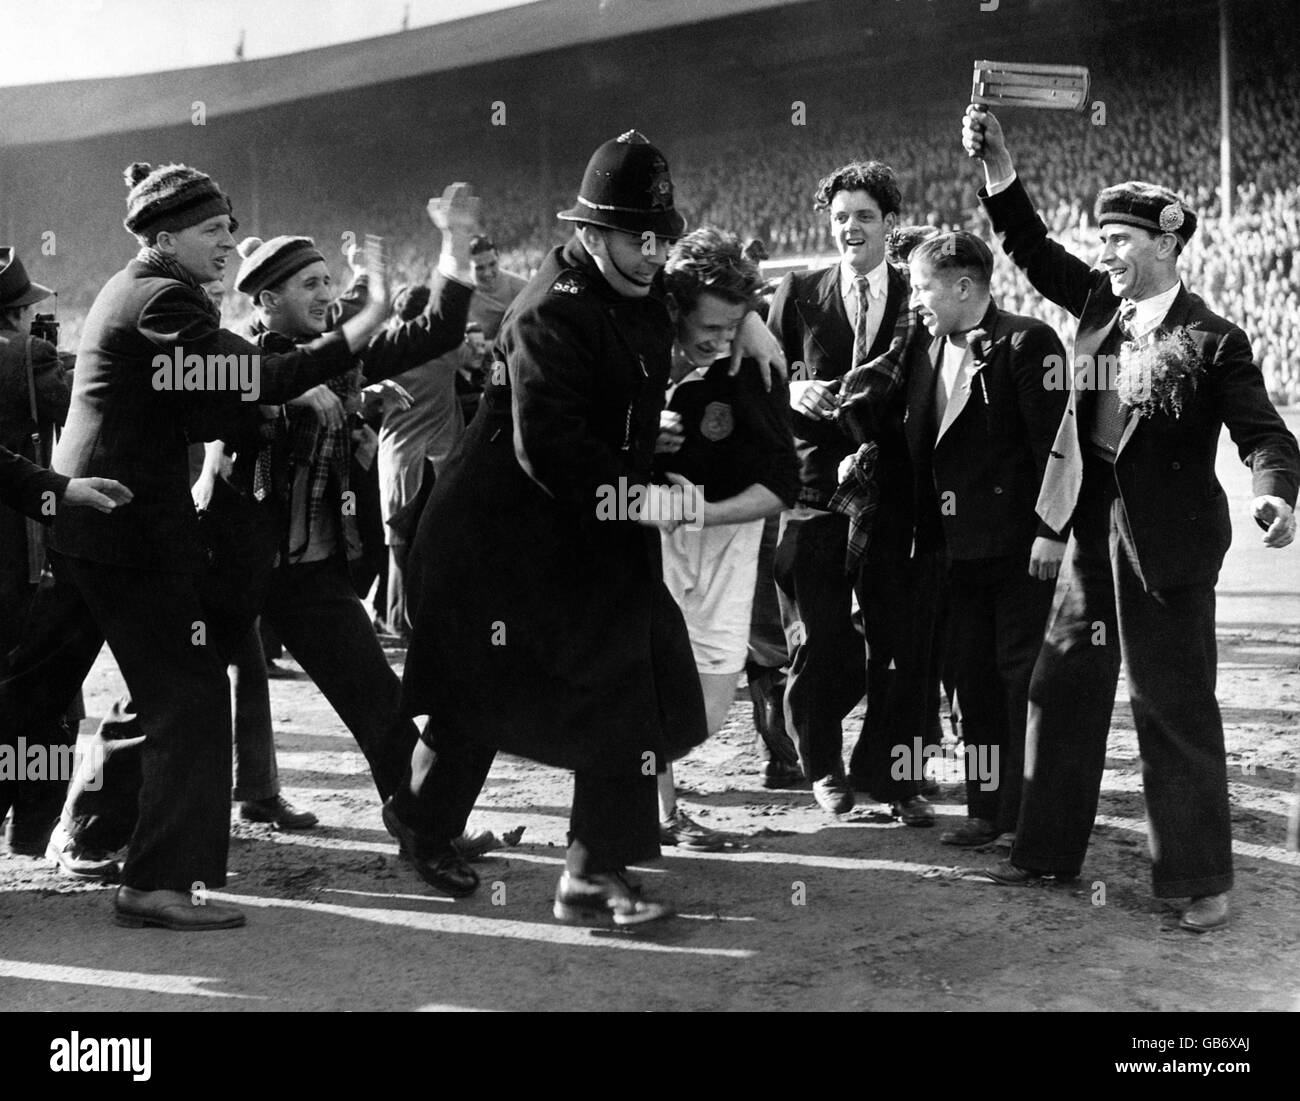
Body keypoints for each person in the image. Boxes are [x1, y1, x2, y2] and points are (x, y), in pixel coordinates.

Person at [384, 131, 784, 923]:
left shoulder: (639, 286)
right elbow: (554, 453)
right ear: (587, 232)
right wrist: (644, 495)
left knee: (594, 679)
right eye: (634, 237)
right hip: (502, 536)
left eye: (659, 237)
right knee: (528, 683)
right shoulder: (547, 317)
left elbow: (712, 296)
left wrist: (754, 324)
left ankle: (438, 822)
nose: (650, 253)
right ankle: (580, 872)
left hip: (570, 529)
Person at [964, 106, 1299, 932]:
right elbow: (1029, 246)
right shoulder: (1094, 306)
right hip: (1089, 532)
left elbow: (1266, 434)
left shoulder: (1216, 337)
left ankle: (1198, 880)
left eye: (1118, 240)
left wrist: (1276, 492)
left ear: (1164, 243)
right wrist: (998, 166)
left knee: (1171, 702)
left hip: (1169, 547)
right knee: (1060, 685)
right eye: (1102, 240)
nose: (1104, 254)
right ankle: (1043, 851)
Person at [47, 161, 393, 929]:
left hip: (111, 526)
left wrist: (283, 390)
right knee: (190, 697)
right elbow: (248, 376)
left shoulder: (151, 292)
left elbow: (210, 400)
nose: (228, 243)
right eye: (212, 231)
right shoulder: (160, 297)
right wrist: (354, 333)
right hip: (123, 528)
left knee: (151, 690)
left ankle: (99, 838)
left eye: (230, 228)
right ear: (164, 237)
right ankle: (156, 881)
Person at [767, 160, 937, 824]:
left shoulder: (914, 296)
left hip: (892, 489)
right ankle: (824, 767)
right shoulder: (797, 292)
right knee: (822, 639)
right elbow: (753, 377)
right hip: (812, 491)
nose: (850, 228)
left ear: (889, 224)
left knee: (899, 641)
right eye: (840, 217)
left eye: (864, 216)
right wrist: (789, 391)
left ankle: (892, 776)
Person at [903, 231, 1067, 846]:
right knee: (971, 681)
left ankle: (1028, 820)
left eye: (922, 287)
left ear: (964, 286)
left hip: (1019, 547)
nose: (915, 300)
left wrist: (1052, 532)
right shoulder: (923, 347)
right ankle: (984, 809)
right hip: (952, 550)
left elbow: (1056, 446)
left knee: (1017, 679)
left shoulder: (1028, 341)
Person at [654, 226, 798, 849]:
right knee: (641, 684)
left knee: (704, 714)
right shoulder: (636, 349)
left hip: (725, 545)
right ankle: (655, 813)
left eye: (728, 326)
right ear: (674, 309)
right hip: (640, 541)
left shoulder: (753, 367)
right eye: (706, 328)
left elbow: (781, 487)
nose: (717, 340)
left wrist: (699, 513)